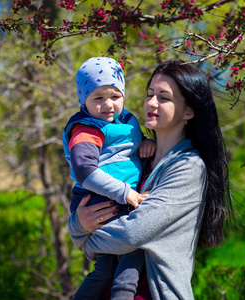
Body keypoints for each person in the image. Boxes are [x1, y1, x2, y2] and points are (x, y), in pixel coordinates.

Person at [68, 59, 235, 299]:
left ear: (188, 111)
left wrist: (84, 238)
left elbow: (132, 234)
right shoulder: (136, 158)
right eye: (149, 94)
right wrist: (78, 223)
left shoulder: (188, 167)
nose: (151, 103)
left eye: (164, 97)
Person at [62, 57, 155, 299]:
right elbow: (85, 170)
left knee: (105, 270)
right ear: (84, 101)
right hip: (98, 199)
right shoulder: (87, 128)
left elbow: (124, 146)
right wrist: (126, 193)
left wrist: (146, 142)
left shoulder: (125, 121)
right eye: (98, 98)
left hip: (117, 200)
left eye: (115, 96)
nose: (108, 105)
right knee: (129, 257)